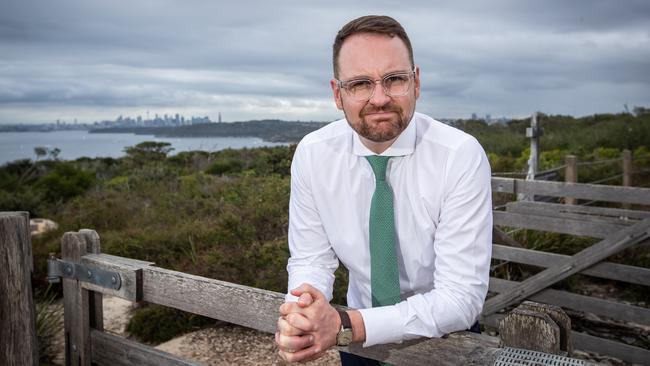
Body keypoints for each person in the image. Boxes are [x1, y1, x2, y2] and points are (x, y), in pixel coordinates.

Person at [275, 15, 492, 365]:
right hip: (357, 342)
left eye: (394, 79)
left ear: (417, 83)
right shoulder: (313, 155)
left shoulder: (460, 156)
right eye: (360, 84)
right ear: (337, 94)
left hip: (445, 338)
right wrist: (304, 310)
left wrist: (347, 323)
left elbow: (460, 297)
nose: (379, 98)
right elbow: (311, 259)